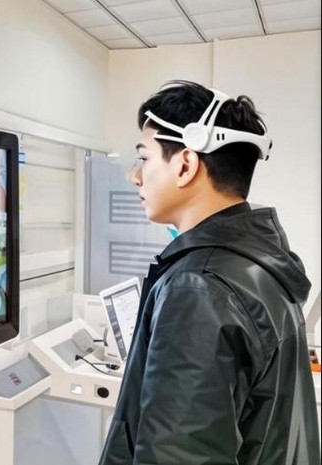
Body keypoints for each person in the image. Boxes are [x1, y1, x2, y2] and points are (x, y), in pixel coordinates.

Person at [99, 81, 320, 464]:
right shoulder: (258, 262)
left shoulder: (198, 288)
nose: (134, 176)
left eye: (144, 158)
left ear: (185, 165)